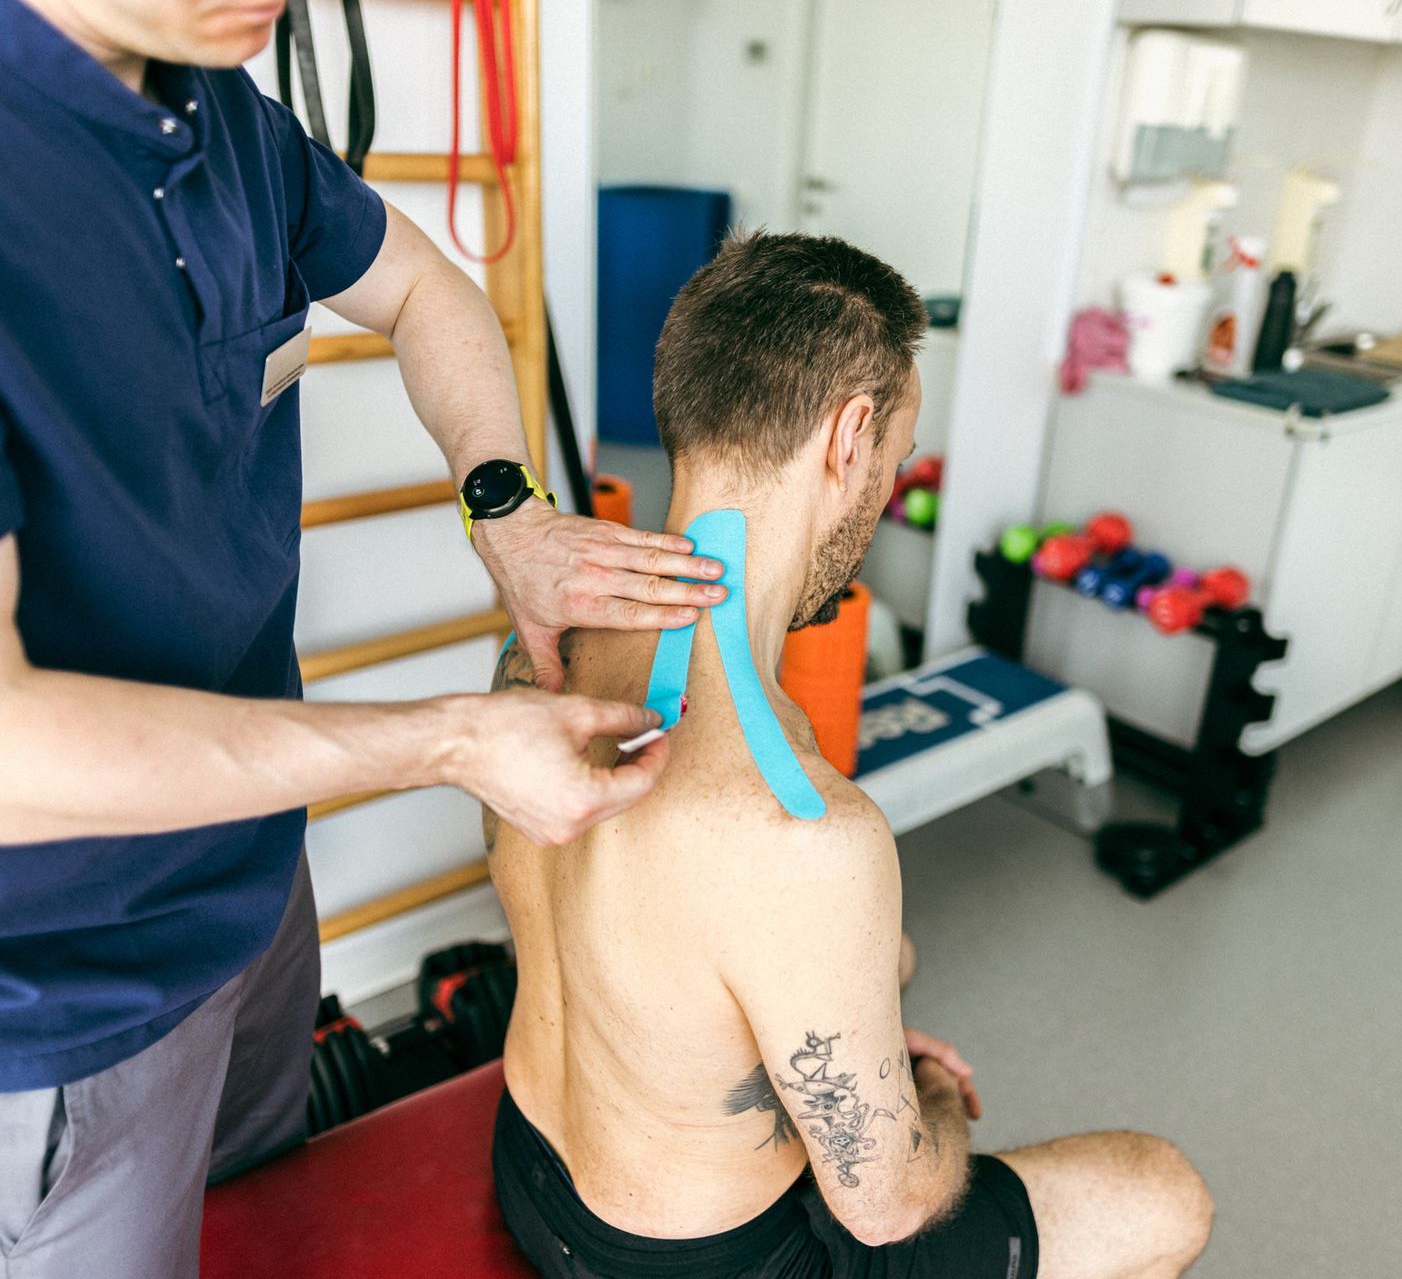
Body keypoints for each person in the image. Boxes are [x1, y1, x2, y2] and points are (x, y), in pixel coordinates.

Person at [0, 0, 715, 1275]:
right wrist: (452, 741)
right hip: (27, 982)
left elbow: (423, 289)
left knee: (271, 1232)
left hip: (245, 883)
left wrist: (504, 506)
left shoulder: (208, 88)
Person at [485, 233, 1215, 1279]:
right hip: (704, 1264)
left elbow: (646, 951)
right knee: (1162, 1193)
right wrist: (925, 1101)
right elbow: (887, 1204)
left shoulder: (535, 657)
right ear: (851, 435)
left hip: (535, 1170)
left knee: (889, 959)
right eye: (894, 461)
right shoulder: (804, 827)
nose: (882, 495)